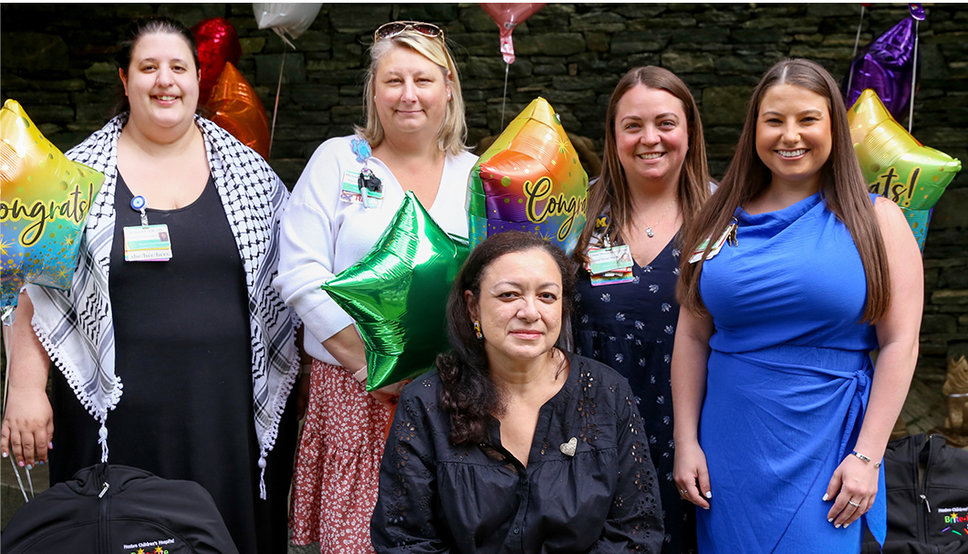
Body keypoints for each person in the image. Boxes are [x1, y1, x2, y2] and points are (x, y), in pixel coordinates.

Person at [0, 16, 299, 554]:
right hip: (114, 415)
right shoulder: (74, 176)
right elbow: (27, 285)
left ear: (196, 80)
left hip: (225, 413)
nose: (165, 80)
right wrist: (25, 388)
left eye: (178, 67)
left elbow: (294, 283)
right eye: (149, 67)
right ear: (124, 79)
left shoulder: (252, 175)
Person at [672, 58, 923, 552]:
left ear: (833, 126)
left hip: (828, 444)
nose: (790, 135)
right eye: (774, 120)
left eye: (808, 119)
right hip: (729, 445)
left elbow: (900, 342)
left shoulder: (879, 220)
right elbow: (692, 334)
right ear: (754, 129)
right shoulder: (716, 218)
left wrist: (868, 456)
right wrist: (686, 441)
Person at [273, 20, 477, 552]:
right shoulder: (337, 160)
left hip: (453, 393)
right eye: (393, 80)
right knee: (359, 541)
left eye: (423, 80)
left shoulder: (477, 176)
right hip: (353, 388)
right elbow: (299, 274)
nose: (408, 95)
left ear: (448, 87)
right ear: (373, 90)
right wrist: (374, 365)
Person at [372, 230, 665, 552]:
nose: (530, 312)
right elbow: (404, 539)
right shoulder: (426, 402)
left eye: (547, 296)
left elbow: (636, 531)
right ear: (473, 307)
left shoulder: (607, 393)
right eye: (509, 295)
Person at [571, 65, 712, 553]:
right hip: (589, 431)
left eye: (666, 123)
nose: (650, 138)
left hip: (695, 430)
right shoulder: (576, 215)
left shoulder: (727, 218)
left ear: (689, 131)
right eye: (633, 125)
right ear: (613, 136)